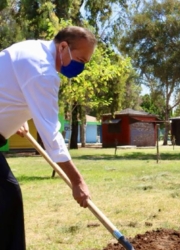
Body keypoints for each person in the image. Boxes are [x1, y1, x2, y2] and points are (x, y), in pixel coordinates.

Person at [0, 26, 96, 250]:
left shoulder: (30, 49)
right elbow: (51, 134)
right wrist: (77, 181)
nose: (80, 67)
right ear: (63, 46)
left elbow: (9, 85)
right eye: (80, 59)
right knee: (7, 197)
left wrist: (15, 117)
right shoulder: (43, 72)